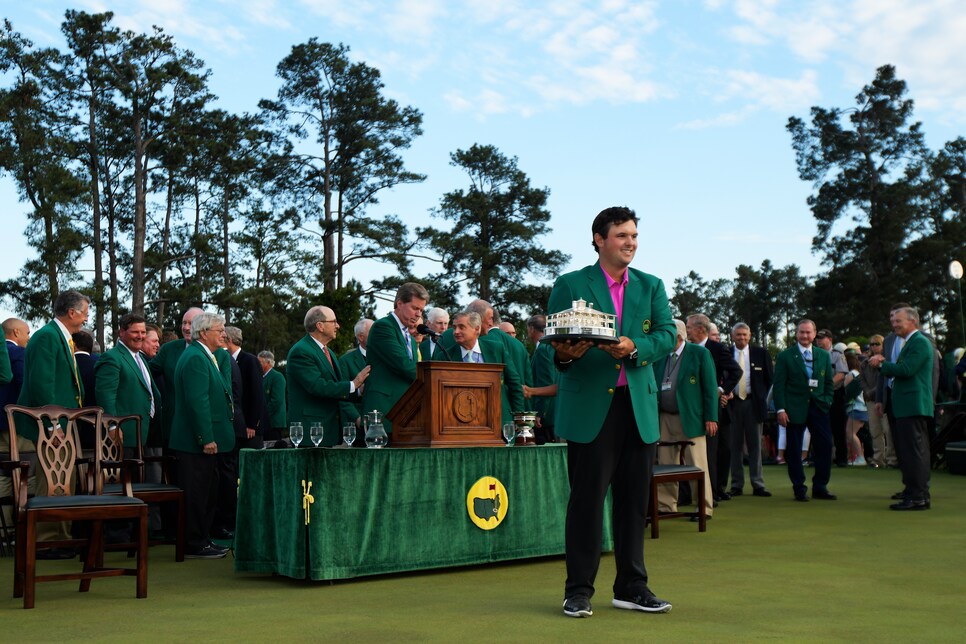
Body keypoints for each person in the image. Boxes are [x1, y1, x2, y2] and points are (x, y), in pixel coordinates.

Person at [549, 206, 675, 618]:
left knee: (633, 503)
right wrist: (565, 356)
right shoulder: (569, 283)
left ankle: (631, 587)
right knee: (586, 501)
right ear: (599, 240)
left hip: (637, 407)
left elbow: (665, 334)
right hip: (591, 409)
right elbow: (558, 349)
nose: (630, 243)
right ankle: (578, 590)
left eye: (634, 235)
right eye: (622, 235)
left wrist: (634, 348)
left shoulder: (651, 285)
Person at [15, 290, 90, 555]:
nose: (86, 318)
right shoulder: (46, 337)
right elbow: (41, 384)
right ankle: (46, 541)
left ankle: (62, 536)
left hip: (63, 423)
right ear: (72, 313)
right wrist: (53, 425)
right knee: (50, 478)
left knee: (63, 478)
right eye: (85, 313)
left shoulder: (60, 336)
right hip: (51, 425)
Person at [169, 312, 234, 559]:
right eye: (220, 330)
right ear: (205, 333)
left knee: (205, 491)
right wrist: (205, 437)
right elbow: (198, 401)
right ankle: (195, 543)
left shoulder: (203, 354)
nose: (224, 334)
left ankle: (202, 539)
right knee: (196, 493)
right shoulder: (196, 357)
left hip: (199, 441)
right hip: (195, 443)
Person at [867, 306, 934, 510]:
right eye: (893, 321)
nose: (894, 325)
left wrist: (881, 364)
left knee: (914, 452)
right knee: (907, 451)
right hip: (904, 405)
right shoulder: (910, 343)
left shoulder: (920, 342)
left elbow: (906, 369)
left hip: (913, 405)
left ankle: (918, 497)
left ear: (913, 321)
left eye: (898, 321)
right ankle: (913, 492)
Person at [653, 319, 717, 519]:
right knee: (665, 463)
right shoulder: (661, 356)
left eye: (667, 334)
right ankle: (665, 506)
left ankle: (703, 508)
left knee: (697, 463)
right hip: (664, 417)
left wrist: (711, 417)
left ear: (678, 336)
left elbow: (709, 388)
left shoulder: (700, 354)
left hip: (691, 418)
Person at [772, 319, 836, 502]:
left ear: (814, 334)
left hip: (819, 407)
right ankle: (799, 488)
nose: (805, 336)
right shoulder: (786, 356)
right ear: (796, 334)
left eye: (808, 332)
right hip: (794, 409)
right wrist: (781, 409)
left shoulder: (823, 356)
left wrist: (827, 401)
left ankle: (820, 486)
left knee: (824, 446)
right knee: (793, 450)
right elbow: (779, 385)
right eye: (801, 332)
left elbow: (829, 383)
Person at [288, 306, 369, 446]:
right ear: (320, 326)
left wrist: (358, 391)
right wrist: (353, 384)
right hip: (310, 432)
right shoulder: (301, 351)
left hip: (326, 431)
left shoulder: (328, 352)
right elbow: (317, 386)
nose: (338, 325)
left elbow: (334, 389)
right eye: (334, 321)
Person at [685, 313, 740, 503]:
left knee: (711, 452)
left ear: (701, 329)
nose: (687, 329)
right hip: (692, 408)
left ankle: (712, 495)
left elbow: (736, 371)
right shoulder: (688, 349)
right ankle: (703, 494)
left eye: (689, 326)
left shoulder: (716, 348)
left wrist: (721, 390)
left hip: (712, 409)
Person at [362, 283, 428, 435]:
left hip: (404, 410)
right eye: (415, 308)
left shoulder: (410, 338)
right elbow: (403, 365)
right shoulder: (383, 327)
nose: (418, 314)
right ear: (399, 303)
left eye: (421, 310)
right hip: (383, 407)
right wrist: (433, 377)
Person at [93, 313, 161, 456]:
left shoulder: (140, 357)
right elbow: (105, 396)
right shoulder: (111, 358)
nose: (140, 336)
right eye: (135, 332)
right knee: (126, 477)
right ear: (122, 332)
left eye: (143, 332)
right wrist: (112, 425)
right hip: (124, 434)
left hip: (144, 432)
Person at [442, 310, 524, 425]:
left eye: (461, 327)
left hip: (498, 420)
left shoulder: (496, 349)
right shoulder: (445, 355)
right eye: (454, 327)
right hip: (460, 422)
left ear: (477, 329)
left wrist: (518, 416)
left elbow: (514, 383)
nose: (456, 332)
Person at [727, 322, 774, 497]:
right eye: (738, 335)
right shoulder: (727, 353)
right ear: (732, 336)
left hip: (753, 404)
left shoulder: (760, 353)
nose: (742, 338)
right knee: (734, 446)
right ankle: (736, 484)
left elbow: (770, 379)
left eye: (745, 335)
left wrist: (762, 397)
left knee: (755, 446)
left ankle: (758, 483)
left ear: (750, 335)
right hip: (732, 405)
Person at [0, 318, 28, 531]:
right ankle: (19, 525)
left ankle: (4, 527)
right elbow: (24, 386)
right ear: (16, 332)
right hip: (16, 423)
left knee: (2, 475)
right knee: (25, 472)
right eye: (27, 333)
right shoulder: (18, 354)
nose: (28, 337)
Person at [815, 330, 849, 467]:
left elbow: (841, 374)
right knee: (819, 428)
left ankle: (841, 459)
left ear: (829, 339)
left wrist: (826, 387)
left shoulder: (837, 355)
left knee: (838, 428)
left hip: (835, 394)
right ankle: (821, 458)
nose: (819, 341)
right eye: (817, 339)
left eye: (822, 338)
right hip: (819, 395)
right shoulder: (814, 354)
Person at [861, 334, 895, 468]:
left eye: (877, 344)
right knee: (875, 431)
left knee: (888, 430)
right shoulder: (865, 363)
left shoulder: (887, 361)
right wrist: (867, 392)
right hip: (870, 400)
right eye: (872, 344)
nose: (874, 346)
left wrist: (872, 392)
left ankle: (892, 459)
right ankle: (878, 459)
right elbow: (862, 380)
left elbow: (885, 381)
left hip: (884, 398)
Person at [525, 314, 558, 444]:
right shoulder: (552, 347)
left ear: (532, 329)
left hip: (547, 417)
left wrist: (540, 413)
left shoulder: (543, 349)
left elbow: (546, 381)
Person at [341, 318, 374, 419]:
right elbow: (341, 395)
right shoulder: (346, 361)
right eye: (373, 331)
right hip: (358, 421)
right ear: (360, 337)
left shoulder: (386, 358)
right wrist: (357, 418)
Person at [843, 352, 868, 466]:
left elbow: (847, 392)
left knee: (850, 433)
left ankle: (861, 458)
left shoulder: (850, 374)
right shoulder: (858, 373)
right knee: (854, 434)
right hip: (862, 407)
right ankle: (859, 457)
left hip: (856, 407)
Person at [258, 351, 287, 441]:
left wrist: (262, 416)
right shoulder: (261, 377)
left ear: (268, 363)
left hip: (274, 423)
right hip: (264, 422)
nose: (258, 365)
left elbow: (276, 401)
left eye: (260, 362)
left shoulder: (277, 377)